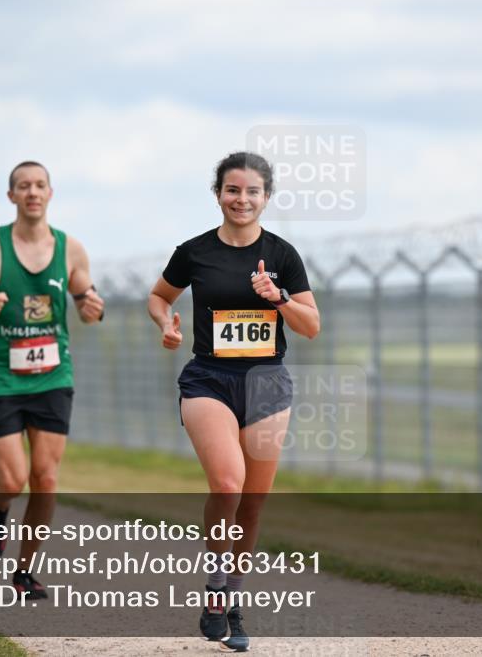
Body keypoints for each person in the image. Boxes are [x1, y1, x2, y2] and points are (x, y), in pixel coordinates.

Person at [148, 152, 320, 651]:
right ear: (218, 193)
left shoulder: (283, 254)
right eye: (232, 190)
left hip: (267, 384)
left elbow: (311, 327)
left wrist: (280, 298)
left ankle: (232, 600)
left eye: (251, 192)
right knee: (227, 483)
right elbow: (159, 296)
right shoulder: (194, 251)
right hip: (208, 380)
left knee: (252, 502)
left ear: (267, 197)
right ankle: (214, 588)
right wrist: (166, 323)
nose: (241, 199)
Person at [0, 160, 104, 600]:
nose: (32, 192)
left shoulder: (70, 248)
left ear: (50, 193)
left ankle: (25, 570)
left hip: (53, 375)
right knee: (13, 480)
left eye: (39, 185)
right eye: (22, 186)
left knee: (46, 478)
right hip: (0, 375)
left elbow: (87, 299)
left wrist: (94, 308)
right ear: (11, 196)